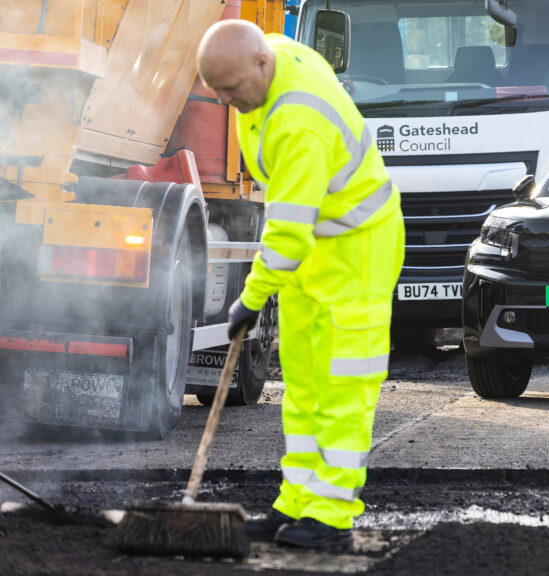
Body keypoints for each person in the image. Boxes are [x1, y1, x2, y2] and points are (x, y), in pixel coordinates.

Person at [197, 20, 404, 552]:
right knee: (306, 388)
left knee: (342, 387)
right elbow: (292, 232)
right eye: (217, 93)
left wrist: (249, 298)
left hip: (358, 248)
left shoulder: (298, 120)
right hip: (317, 243)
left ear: (261, 64)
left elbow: (286, 235)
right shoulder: (268, 63)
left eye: (232, 89)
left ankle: (332, 516)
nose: (227, 102)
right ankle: (297, 502)